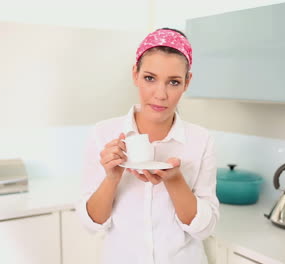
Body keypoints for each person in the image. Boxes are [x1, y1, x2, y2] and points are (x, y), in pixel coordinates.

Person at [76, 27, 219, 264]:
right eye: (150, 78)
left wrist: (174, 180)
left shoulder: (201, 140)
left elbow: (204, 229)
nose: (160, 94)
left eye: (173, 82)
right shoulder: (103, 134)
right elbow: (92, 223)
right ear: (135, 74)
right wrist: (111, 178)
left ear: (187, 82)